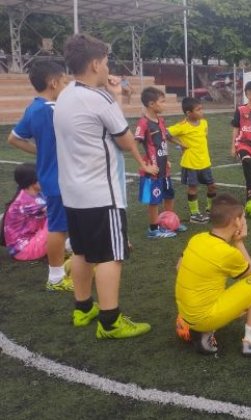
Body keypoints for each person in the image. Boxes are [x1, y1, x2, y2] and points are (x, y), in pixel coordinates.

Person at [54, 33, 158, 339]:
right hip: (101, 192)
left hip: (73, 190)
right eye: (107, 61)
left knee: (84, 252)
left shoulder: (66, 94)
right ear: (96, 63)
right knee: (111, 255)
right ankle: (110, 321)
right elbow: (125, 140)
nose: (108, 66)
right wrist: (113, 96)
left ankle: (83, 308)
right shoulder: (97, 98)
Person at [175, 193, 251, 356]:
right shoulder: (228, 253)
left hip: (186, 315)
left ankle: (203, 333)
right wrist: (239, 242)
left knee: (216, 292)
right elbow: (250, 274)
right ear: (237, 221)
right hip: (203, 317)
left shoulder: (197, 238)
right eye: (243, 218)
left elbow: (179, 267)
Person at [7, 61, 72, 290]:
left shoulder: (33, 108)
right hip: (60, 178)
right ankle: (55, 277)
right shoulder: (51, 109)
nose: (66, 86)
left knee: (63, 222)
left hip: (50, 176)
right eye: (64, 81)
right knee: (57, 227)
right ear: (53, 82)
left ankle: (71, 256)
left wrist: (40, 150)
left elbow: (13, 138)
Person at [135, 87, 187, 239]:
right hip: (153, 170)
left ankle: (170, 223)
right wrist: (144, 166)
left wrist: (178, 145)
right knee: (154, 199)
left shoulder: (160, 121)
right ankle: (153, 229)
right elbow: (134, 144)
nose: (165, 105)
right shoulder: (143, 123)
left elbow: (164, 138)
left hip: (164, 168)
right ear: (151, 104)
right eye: (162, 102)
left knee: (169, 195)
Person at [2, 164, 64, 276]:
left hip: (24, 242)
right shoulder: (28, 202)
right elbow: (57, 209)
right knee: (57, 220)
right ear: (32, 182)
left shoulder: (32, 194)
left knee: (55, 217)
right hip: (23, 251)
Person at [168, 97, 216, 223]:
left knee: (212, 186)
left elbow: (204, 138)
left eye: (201, 109)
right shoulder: (182, 126)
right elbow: (166, 133)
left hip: (205, 162)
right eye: (198, 110)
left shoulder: (204, 123)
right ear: (189, 113)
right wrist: (180, 144)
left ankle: (210, 210)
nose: (202, 112)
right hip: (190, 164)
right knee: (193, 188)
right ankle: (194, 214)